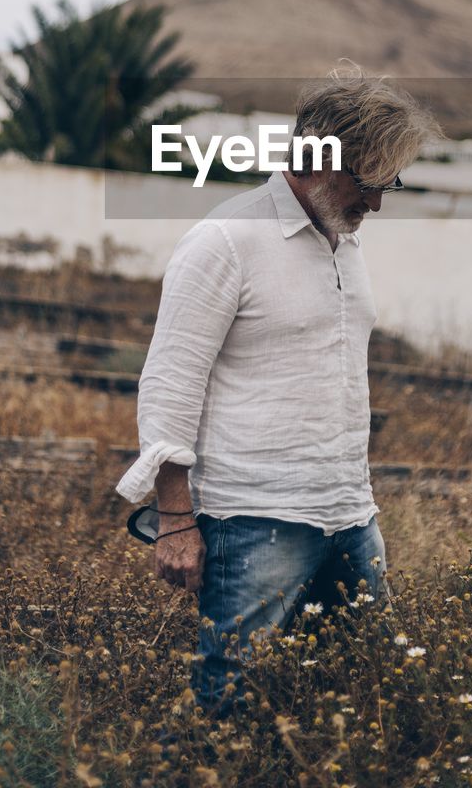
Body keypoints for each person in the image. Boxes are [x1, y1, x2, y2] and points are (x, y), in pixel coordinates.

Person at [115, 64, 438, 719]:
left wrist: (358, 503)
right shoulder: (225, 241)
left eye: (388, 184)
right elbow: (170, 386)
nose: (376, 204)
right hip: (254, 520)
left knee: (359, 691)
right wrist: (175, 520)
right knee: (228, 701)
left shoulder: (344, 246)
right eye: (369, 182)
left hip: (350, 514)